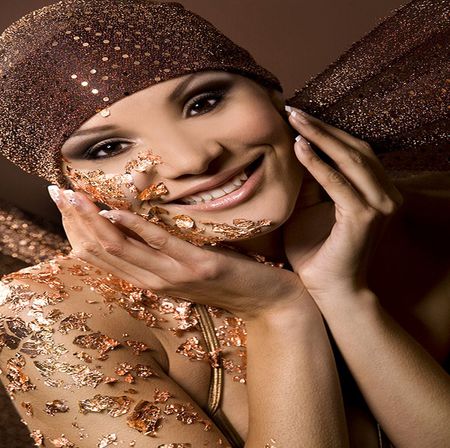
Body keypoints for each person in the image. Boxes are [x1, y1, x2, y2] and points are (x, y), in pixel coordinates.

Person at [0, 1, 449, 447]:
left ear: (272, 94)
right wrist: (277, 311)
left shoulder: (429, 211)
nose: (193, 158)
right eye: (107, 148)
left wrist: (342, 293)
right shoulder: (54, 311)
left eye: (204, 101)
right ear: (73, 187)